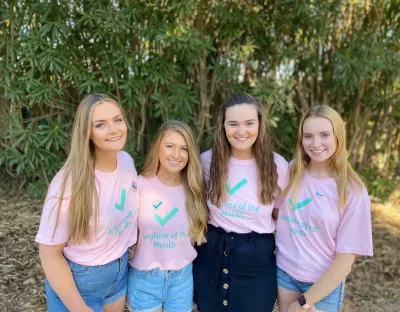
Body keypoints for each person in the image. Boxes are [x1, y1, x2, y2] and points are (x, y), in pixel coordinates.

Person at [36, 94, 139, 312]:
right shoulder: (67, 184)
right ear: (87, 133)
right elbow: (49, 254)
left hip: (119, 273)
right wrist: (80, 308)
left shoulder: (127, 162)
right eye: (100, 125)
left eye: (117, 119)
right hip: (80, 283)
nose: (114, 130)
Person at [193, 94, 289, 312]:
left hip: (256, 261)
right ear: (223, 126)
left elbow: (281, 214)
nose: (241, 131)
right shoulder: (207, 161)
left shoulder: (278, 166)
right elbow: (194, 206)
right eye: (233, 124)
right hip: (210, 256)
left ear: (260, 124)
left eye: (249, 123)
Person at [275, 106, 373, 312]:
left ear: (338, 137)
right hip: (285, 272)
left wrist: (303, 302)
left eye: (324, 135)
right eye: (308, 136)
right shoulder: (290, 171)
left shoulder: (352, 190)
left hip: (323, 284)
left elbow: (344, 262)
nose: (316, 143)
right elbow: (274, 214)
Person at [127, 120, 208, 312]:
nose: (176, 155)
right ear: (157, 148)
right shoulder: (139, 185)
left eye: (184, 148)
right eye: (170, 146)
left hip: (182, 280)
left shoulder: (195, 189)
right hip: (145, 279)